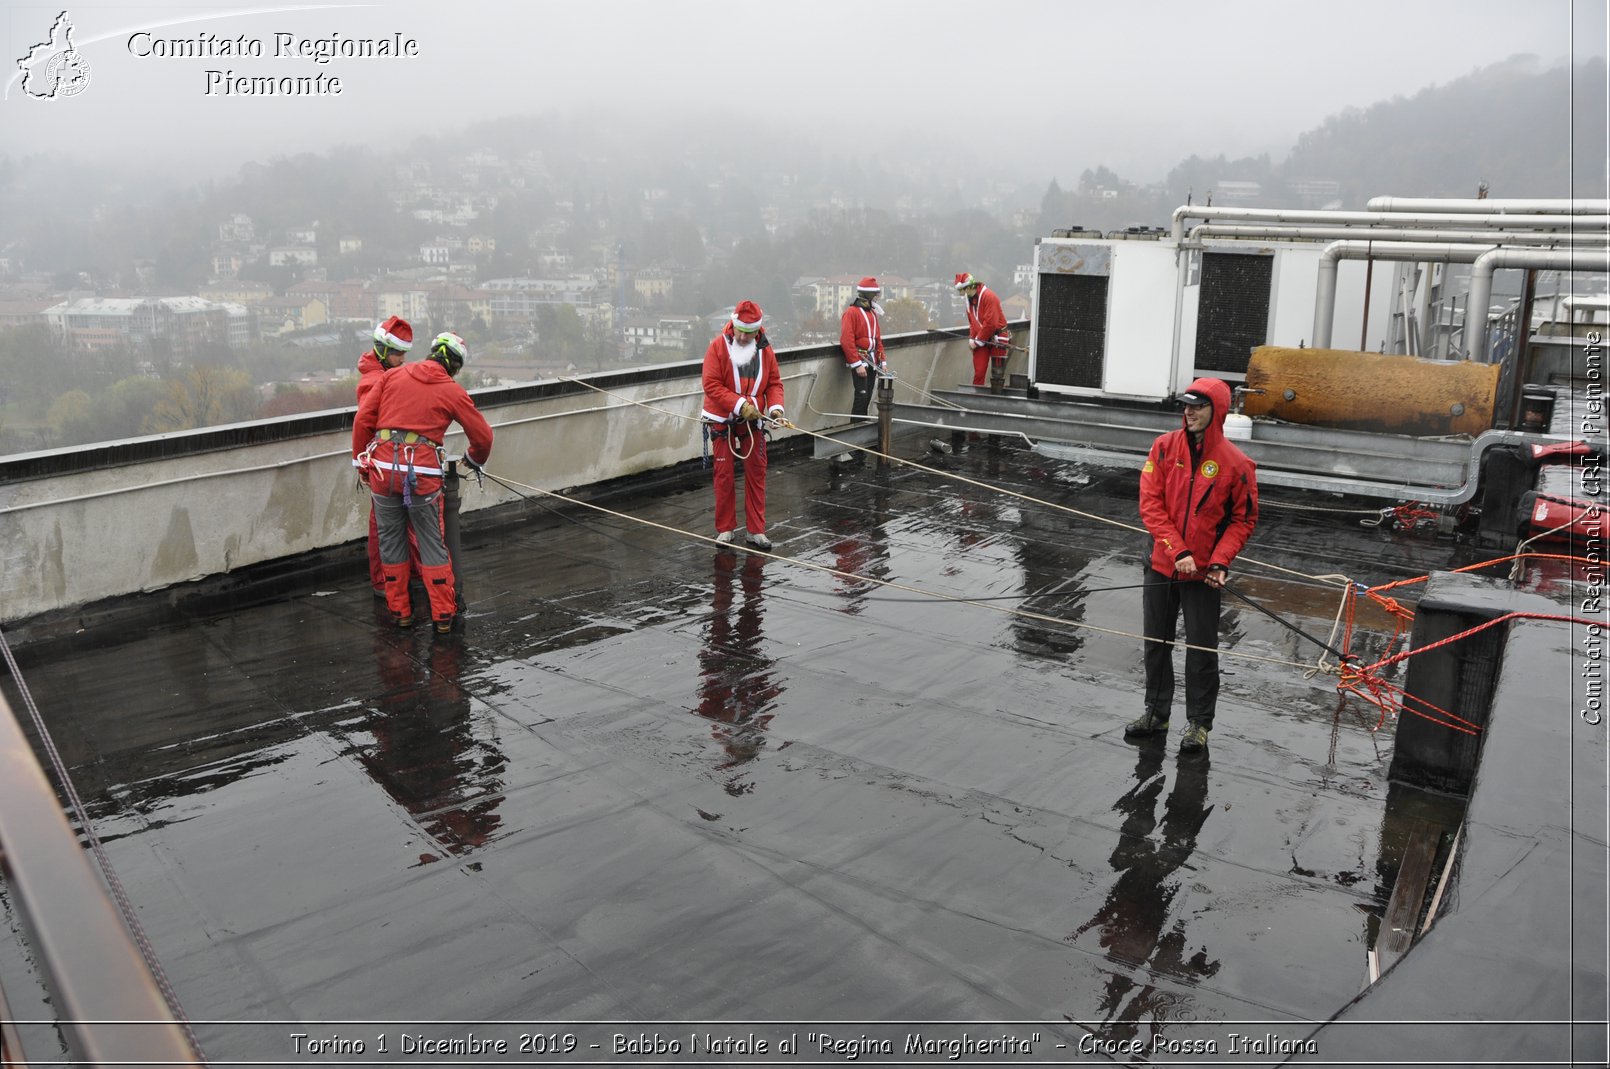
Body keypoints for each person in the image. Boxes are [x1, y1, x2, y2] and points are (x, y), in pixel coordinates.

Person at [1127, 377, 1259, 754]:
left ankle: (1199, 724)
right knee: (1156, 642)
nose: (1188, 412)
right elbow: (1150, 506)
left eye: (1198, 406)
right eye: (1185, 406)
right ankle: (1156, 713)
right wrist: (1177, 551)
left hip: (1203, 576)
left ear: (1216, 411)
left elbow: (1243, 520)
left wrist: (1219, 562)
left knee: (1202, 650)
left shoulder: (1237, 464)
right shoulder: (1164, 449)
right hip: (1162, 565)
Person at [353, 331, 493, 633]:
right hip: (422, 475)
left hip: (383, 471)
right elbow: (483, 437)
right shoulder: (451, 390)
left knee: (391, 543)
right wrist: (474, 460)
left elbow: (363, 420)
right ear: (455, 366)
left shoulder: (393, 376)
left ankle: (400, 613)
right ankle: (443, 618)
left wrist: (361, 463)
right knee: (431, 543)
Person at [701, 300, 785, 550]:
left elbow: (774, 382)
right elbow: (712, 384)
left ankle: (756, 530)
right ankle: (726, 529)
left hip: (755, 419)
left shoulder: (765, 350)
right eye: (740, 332)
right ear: (733, 326)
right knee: (724, 474)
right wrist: (740, 405)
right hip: (723, 419)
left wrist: (776, 409)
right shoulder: (717, 347)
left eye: (749, 334)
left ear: (757, 332)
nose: (743, 337)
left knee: (757, 471)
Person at [357, 316, 416, 596]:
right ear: (382, 350)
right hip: (384, 463)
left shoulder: (381, 376)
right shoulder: (373, 381)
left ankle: (397, 581)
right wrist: (363, 465)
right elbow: (367, 423)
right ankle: (385, 584)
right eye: (397, 353)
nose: (402, 359)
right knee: (383, 527)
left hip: (390, 461)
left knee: (392, 524)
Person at [839, 276, 885, 418]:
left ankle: (861, 426)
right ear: (869, 295)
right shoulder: (851, 312)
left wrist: (882, 361)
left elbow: (878, 340)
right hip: (860, 360)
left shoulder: (872, 313)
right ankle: (855, 428)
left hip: (872, 361)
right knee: (861, 397)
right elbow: (846, 340)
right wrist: (856, 364)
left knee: (869, 395)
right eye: (875, 294)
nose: (877, 298)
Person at [955, 271, 1009, 387]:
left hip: (997, 337)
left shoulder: (989, 297)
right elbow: (972, 322)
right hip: (981, 339)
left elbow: (991, 324)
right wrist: (972, 337)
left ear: (969, 287)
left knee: (997, 374)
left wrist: (977, 341)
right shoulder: (968, 300)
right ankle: (977, 395)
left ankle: (996, 397)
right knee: (979, 372)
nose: (961, 294)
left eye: (962, 290)